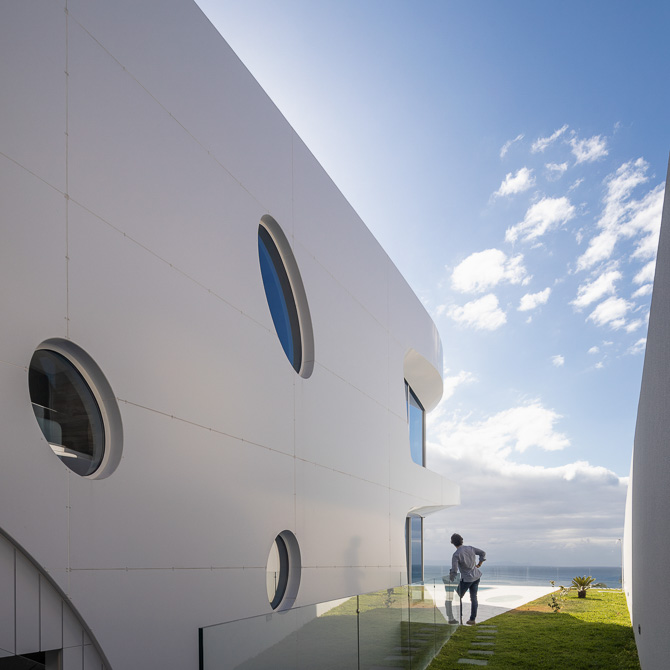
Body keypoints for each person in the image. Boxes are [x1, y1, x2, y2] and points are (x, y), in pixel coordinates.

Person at [449, 533, 486, 625]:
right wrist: (479, 564)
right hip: (476, 576)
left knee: (457, 597)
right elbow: (483, 553)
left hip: (467, 579)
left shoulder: (456, 554)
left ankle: (459, 619)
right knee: (474, 597)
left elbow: (454, 570)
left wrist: (451, 577)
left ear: (452, 543)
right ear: (461, 540)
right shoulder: (470, 548)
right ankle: (472, 619)